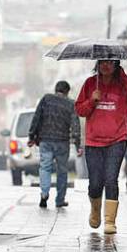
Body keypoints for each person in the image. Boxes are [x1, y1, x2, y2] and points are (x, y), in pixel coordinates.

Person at [75, 60, 127, 234]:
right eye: (103, 62)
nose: (106, 66)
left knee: (111, 179)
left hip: (117, 140)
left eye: (110, 63)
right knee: (95, 183)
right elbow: (80, 110)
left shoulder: (123, 84)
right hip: (93, 142)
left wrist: (122, 75)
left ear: (116, 65)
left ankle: (109, 221)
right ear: (97, 64)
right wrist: (92, 100)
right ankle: (95, 210)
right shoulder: (91, 83)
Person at [29, 80, 82, 209]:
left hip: (45, 140)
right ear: (67, 91)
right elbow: (75, 126)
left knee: (45, 167)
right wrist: (77, 144)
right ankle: (60, 200)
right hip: (62, 142)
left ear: (56, 89)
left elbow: (37, 117)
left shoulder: (46, 99)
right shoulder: (71, 104)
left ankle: (44, 193)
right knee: (62, 171)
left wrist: (32, 136)